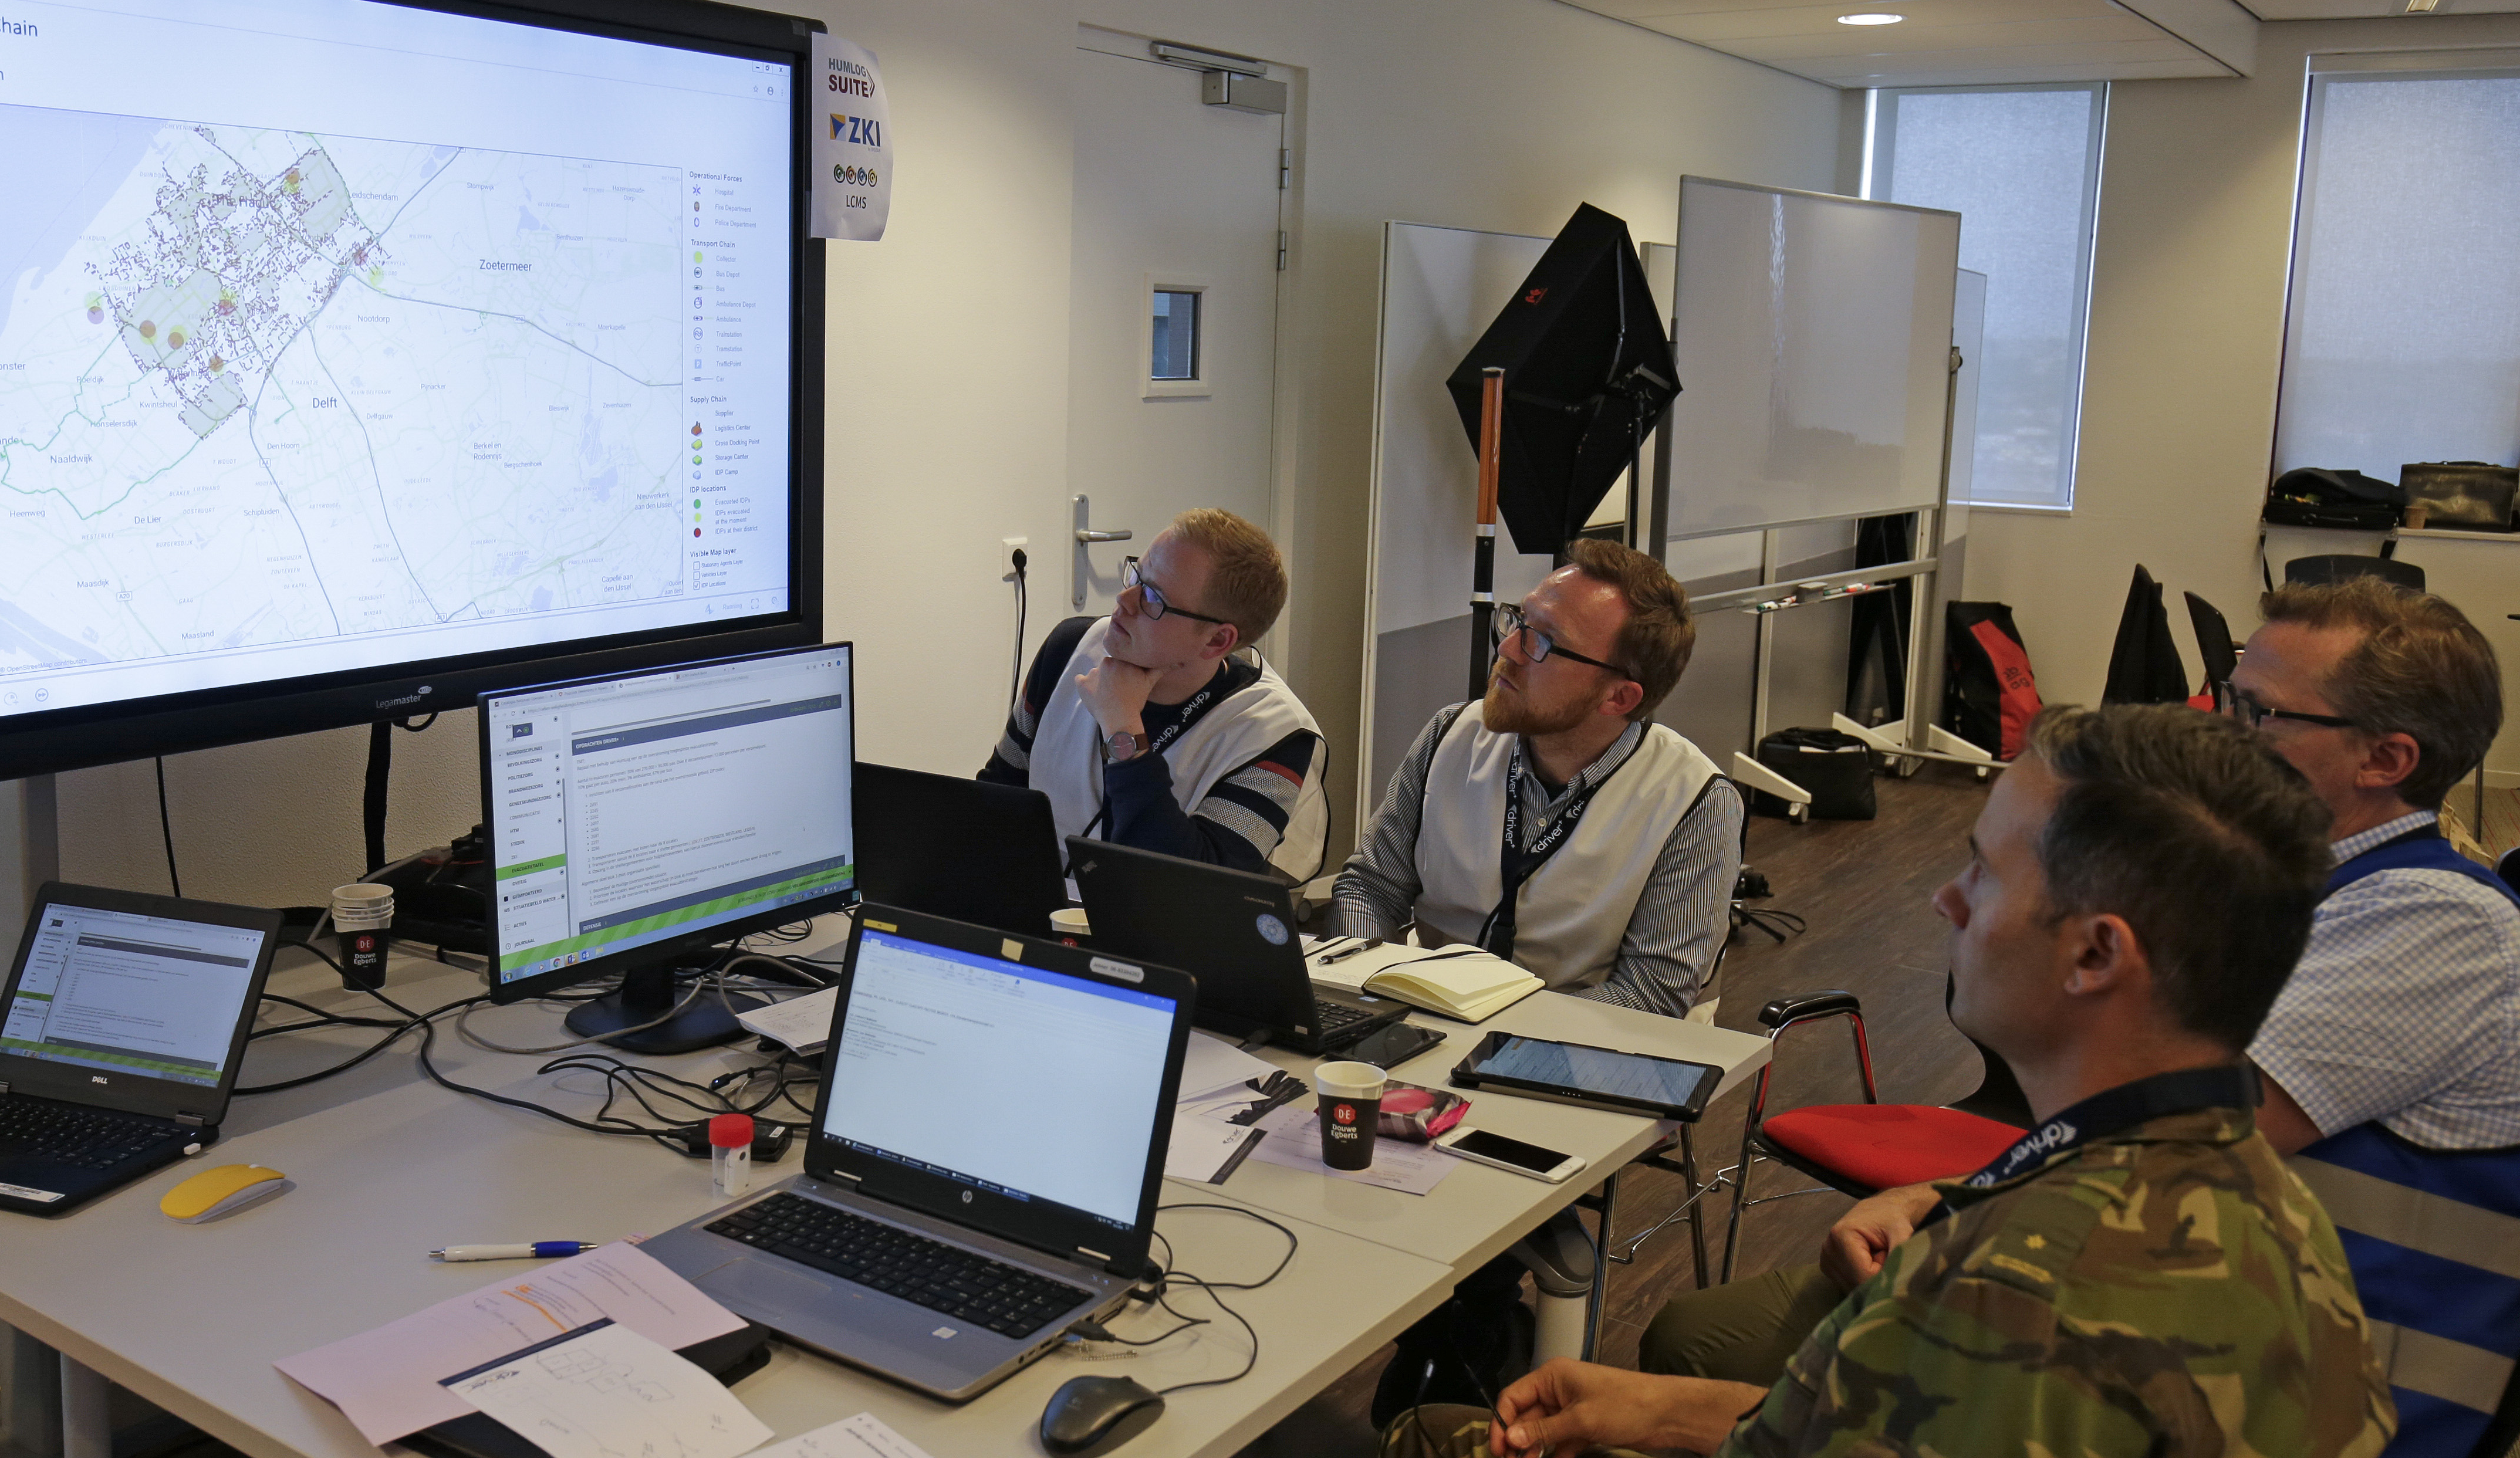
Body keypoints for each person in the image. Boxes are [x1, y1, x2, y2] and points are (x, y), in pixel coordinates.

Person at [1390, 703, 2394, 1458]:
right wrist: (1671, 1413)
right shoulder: (2257, 1198)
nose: (1946, 899)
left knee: (1434, 1437)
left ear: (2094, 955)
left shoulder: (2030, 1292)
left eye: (1986, 873)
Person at [2232, 579, 2520, 1457]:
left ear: (2385, 760)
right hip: (2245, 1366)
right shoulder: (2308, 888)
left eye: (2258, 714)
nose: (2223, 736)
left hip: (2332, 1420)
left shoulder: (2436, 922)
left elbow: (2182, 1135)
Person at [1329, 537, 1740, 1019]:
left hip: (1580, 1042)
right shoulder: (1450, 735)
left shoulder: (1694, 802)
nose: (1507, 648)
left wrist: (1492, 1033)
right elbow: (1371, 888)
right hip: (1425, 1013)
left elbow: (1648, 995)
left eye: (1543, 641)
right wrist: (1363, 993)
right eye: (1519, 621)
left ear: (1618, 698)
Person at [981, 508, 1326, 880]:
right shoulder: (1069, 648)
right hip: (1041, 904)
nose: (1124, 600)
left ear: (1217, 640)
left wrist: (1123, 729)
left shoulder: (1278, 734)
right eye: (1136, 574)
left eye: (1153, 597)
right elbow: (994, 801)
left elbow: (1192, 884)